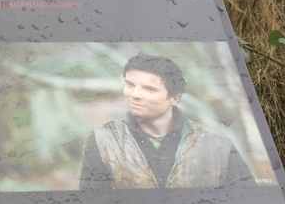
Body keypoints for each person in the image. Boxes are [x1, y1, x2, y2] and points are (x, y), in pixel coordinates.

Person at [80, 53, 253, 189]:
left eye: (149, 89)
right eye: (130, 85)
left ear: (174, 98)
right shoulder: (103, 141)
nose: (134, 95)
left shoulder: (217, 145)